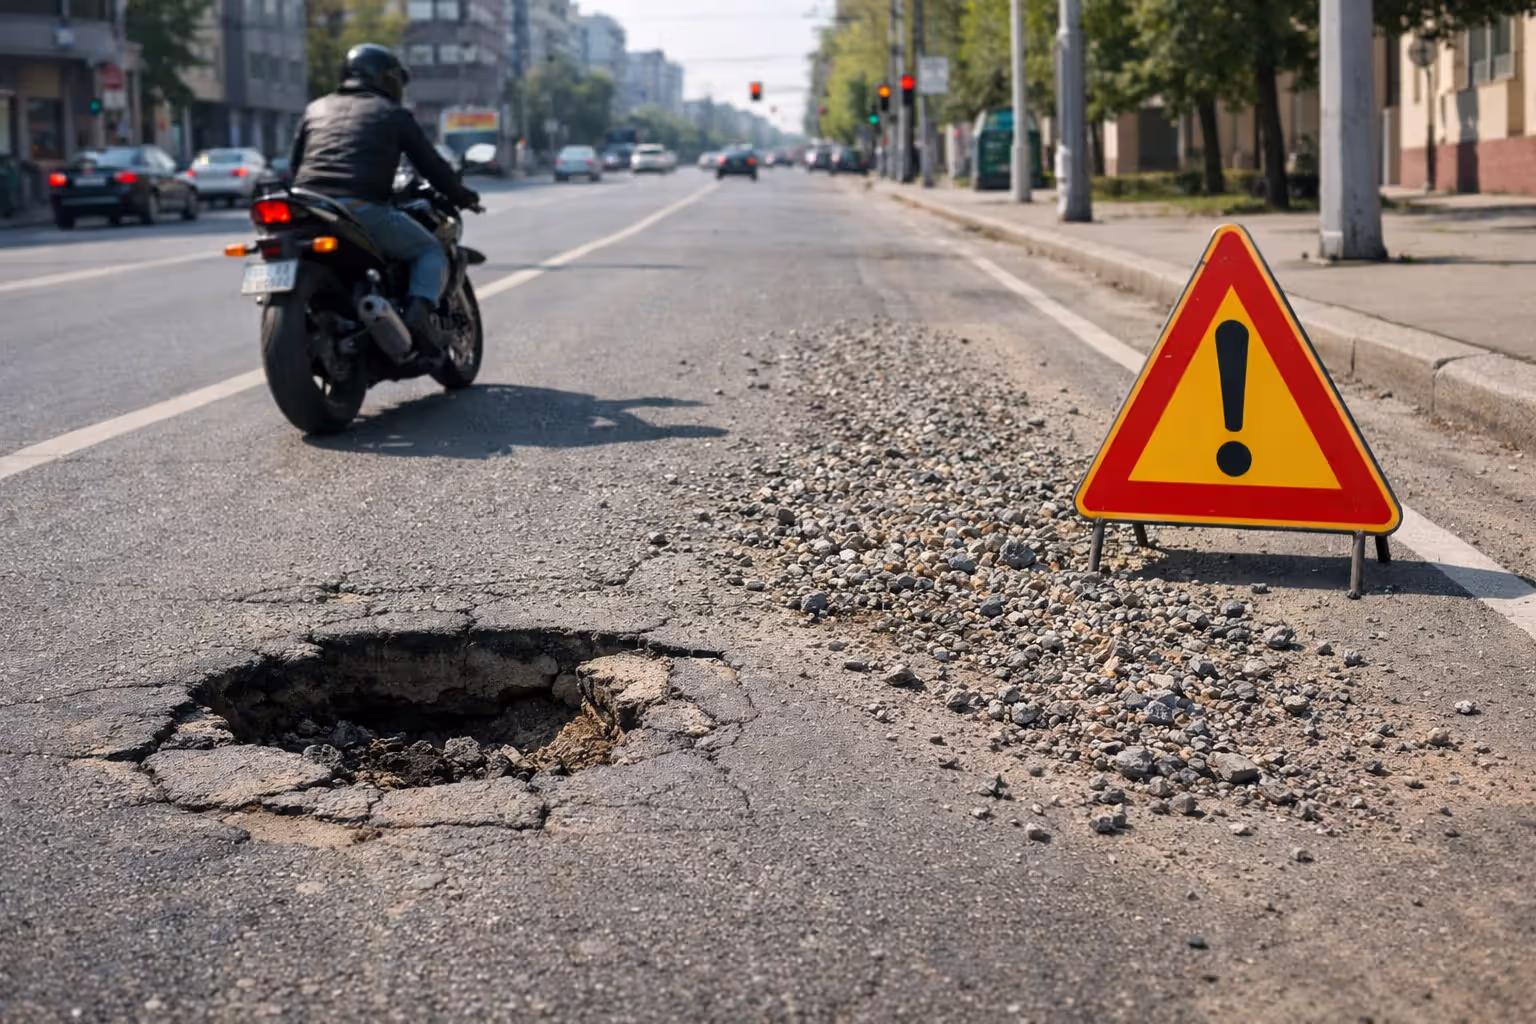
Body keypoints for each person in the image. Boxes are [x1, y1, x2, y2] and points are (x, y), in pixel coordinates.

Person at [288, 43, 480, 356]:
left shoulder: (316, 108)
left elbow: (296, 166)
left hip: (309, 206)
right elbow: (432, 166)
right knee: (430, 250)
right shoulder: (392, 114)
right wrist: (462, 195)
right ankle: (418, 317)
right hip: (359, 207)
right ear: (386, 78)